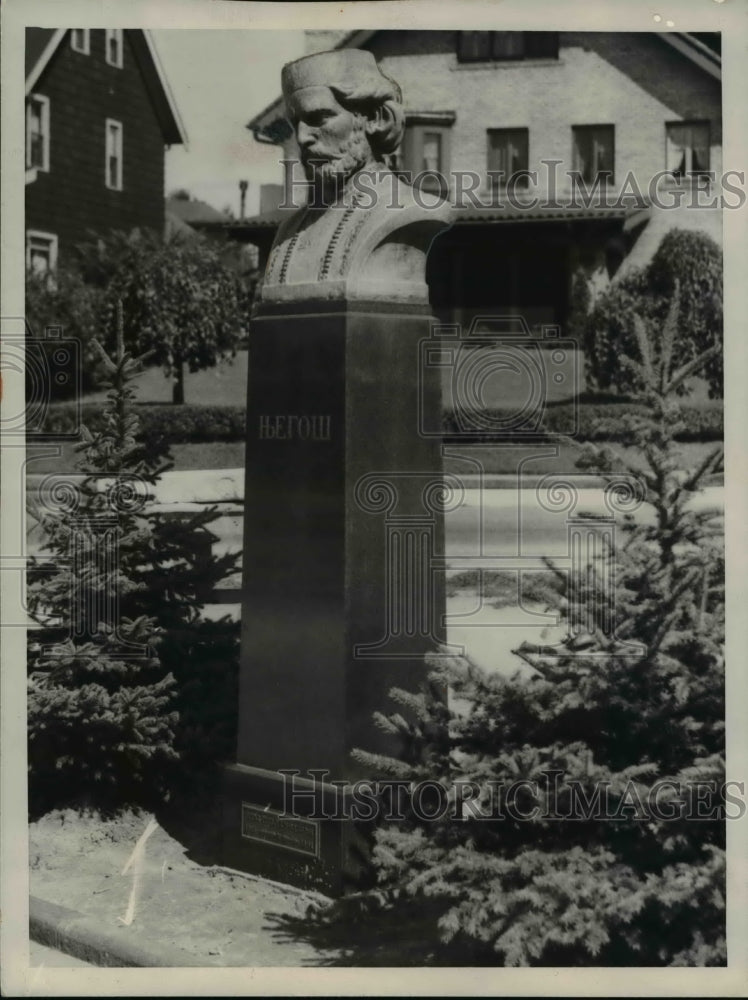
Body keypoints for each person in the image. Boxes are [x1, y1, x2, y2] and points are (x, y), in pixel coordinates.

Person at [258, 49, 452, 305]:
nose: (303, 137)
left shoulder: (413, 210)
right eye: (297, 123)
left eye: (318, 118)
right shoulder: (288, 231)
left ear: (375, 119)